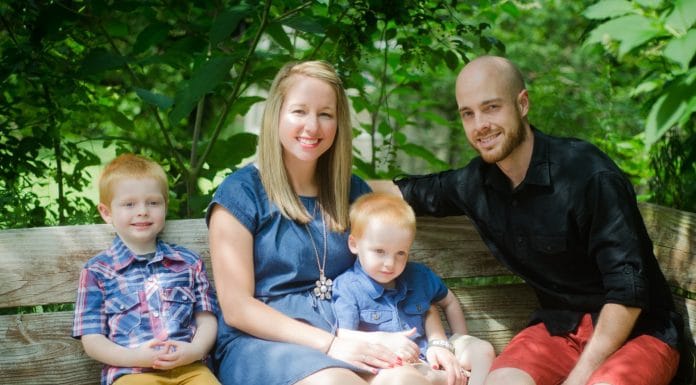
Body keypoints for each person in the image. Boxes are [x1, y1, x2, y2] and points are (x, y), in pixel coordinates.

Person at [370, 55, 682, 385]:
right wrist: (320, 185)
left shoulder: (587, 174)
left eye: (491, 108)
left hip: (638, 334)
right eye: (468, 114)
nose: (480, 125)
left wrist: (577, 379)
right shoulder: (478, 183)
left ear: (522, 104)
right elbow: (404, 191)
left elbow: (628, 292)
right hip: (558, 328)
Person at [206, 60, 436, 385]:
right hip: (263, 346)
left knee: (405, 381)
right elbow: (237, 308)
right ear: (276, 115)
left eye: (325, 114)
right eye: (299, 111)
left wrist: (438, 341)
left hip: (347, 337)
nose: (312, 127)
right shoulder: (242, 194)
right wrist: (332, 344)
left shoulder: (352, 192)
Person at [72, 153, 219, 385]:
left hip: (189, 369)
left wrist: (195, 350)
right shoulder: (97, 272)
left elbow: (207, 319)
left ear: (165, 206)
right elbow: (92, 339)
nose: (142, 211)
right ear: (106, 212)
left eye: (153, 202)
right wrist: (135, 357)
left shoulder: (188, 262)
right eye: (129, 204)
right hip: (132, 372)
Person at [333, 192, 495, 385]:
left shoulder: (418, 275)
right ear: (354, 244)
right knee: (408, 380)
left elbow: (449, 301)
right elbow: (343, 335)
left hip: (431, 349)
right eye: (379, 251)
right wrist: (382, 339)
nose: (390, 264)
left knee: (482, 350)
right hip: (392, 363)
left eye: (400, 253)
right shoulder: (348, 286)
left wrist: (455, 341)